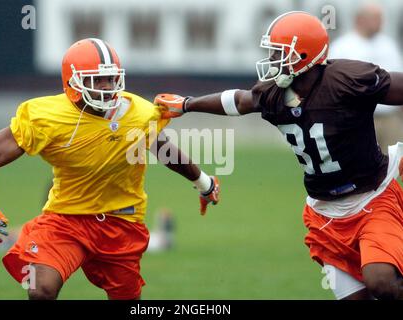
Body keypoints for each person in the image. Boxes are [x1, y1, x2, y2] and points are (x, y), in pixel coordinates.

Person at [154, 11, 403, 300]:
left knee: (381, 282)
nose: (273, 60)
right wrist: (186, 104)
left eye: (279, 53)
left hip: (372, 197)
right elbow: (238, 100)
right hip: (325, 213)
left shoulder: (347, 79)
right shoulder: (273, 94)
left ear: (305, 56)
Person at [0, 38, 220, 300]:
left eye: (110, 79)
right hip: (67, 219)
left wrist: (205, 183)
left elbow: (166, 152)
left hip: (121, 222)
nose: (106, 87)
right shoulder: (46, 116)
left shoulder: (138, 113)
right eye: (96, 80)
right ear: (73, 82)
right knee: (40, 288)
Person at [329, 2, 403, 150]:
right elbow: (331, 85)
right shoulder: (342, 46)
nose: (380, 23)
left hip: (390, 118)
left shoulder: (388, 45)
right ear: (360, 19)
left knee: (396, 165)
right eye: (375, 18)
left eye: (380, 18)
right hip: (358, 119)